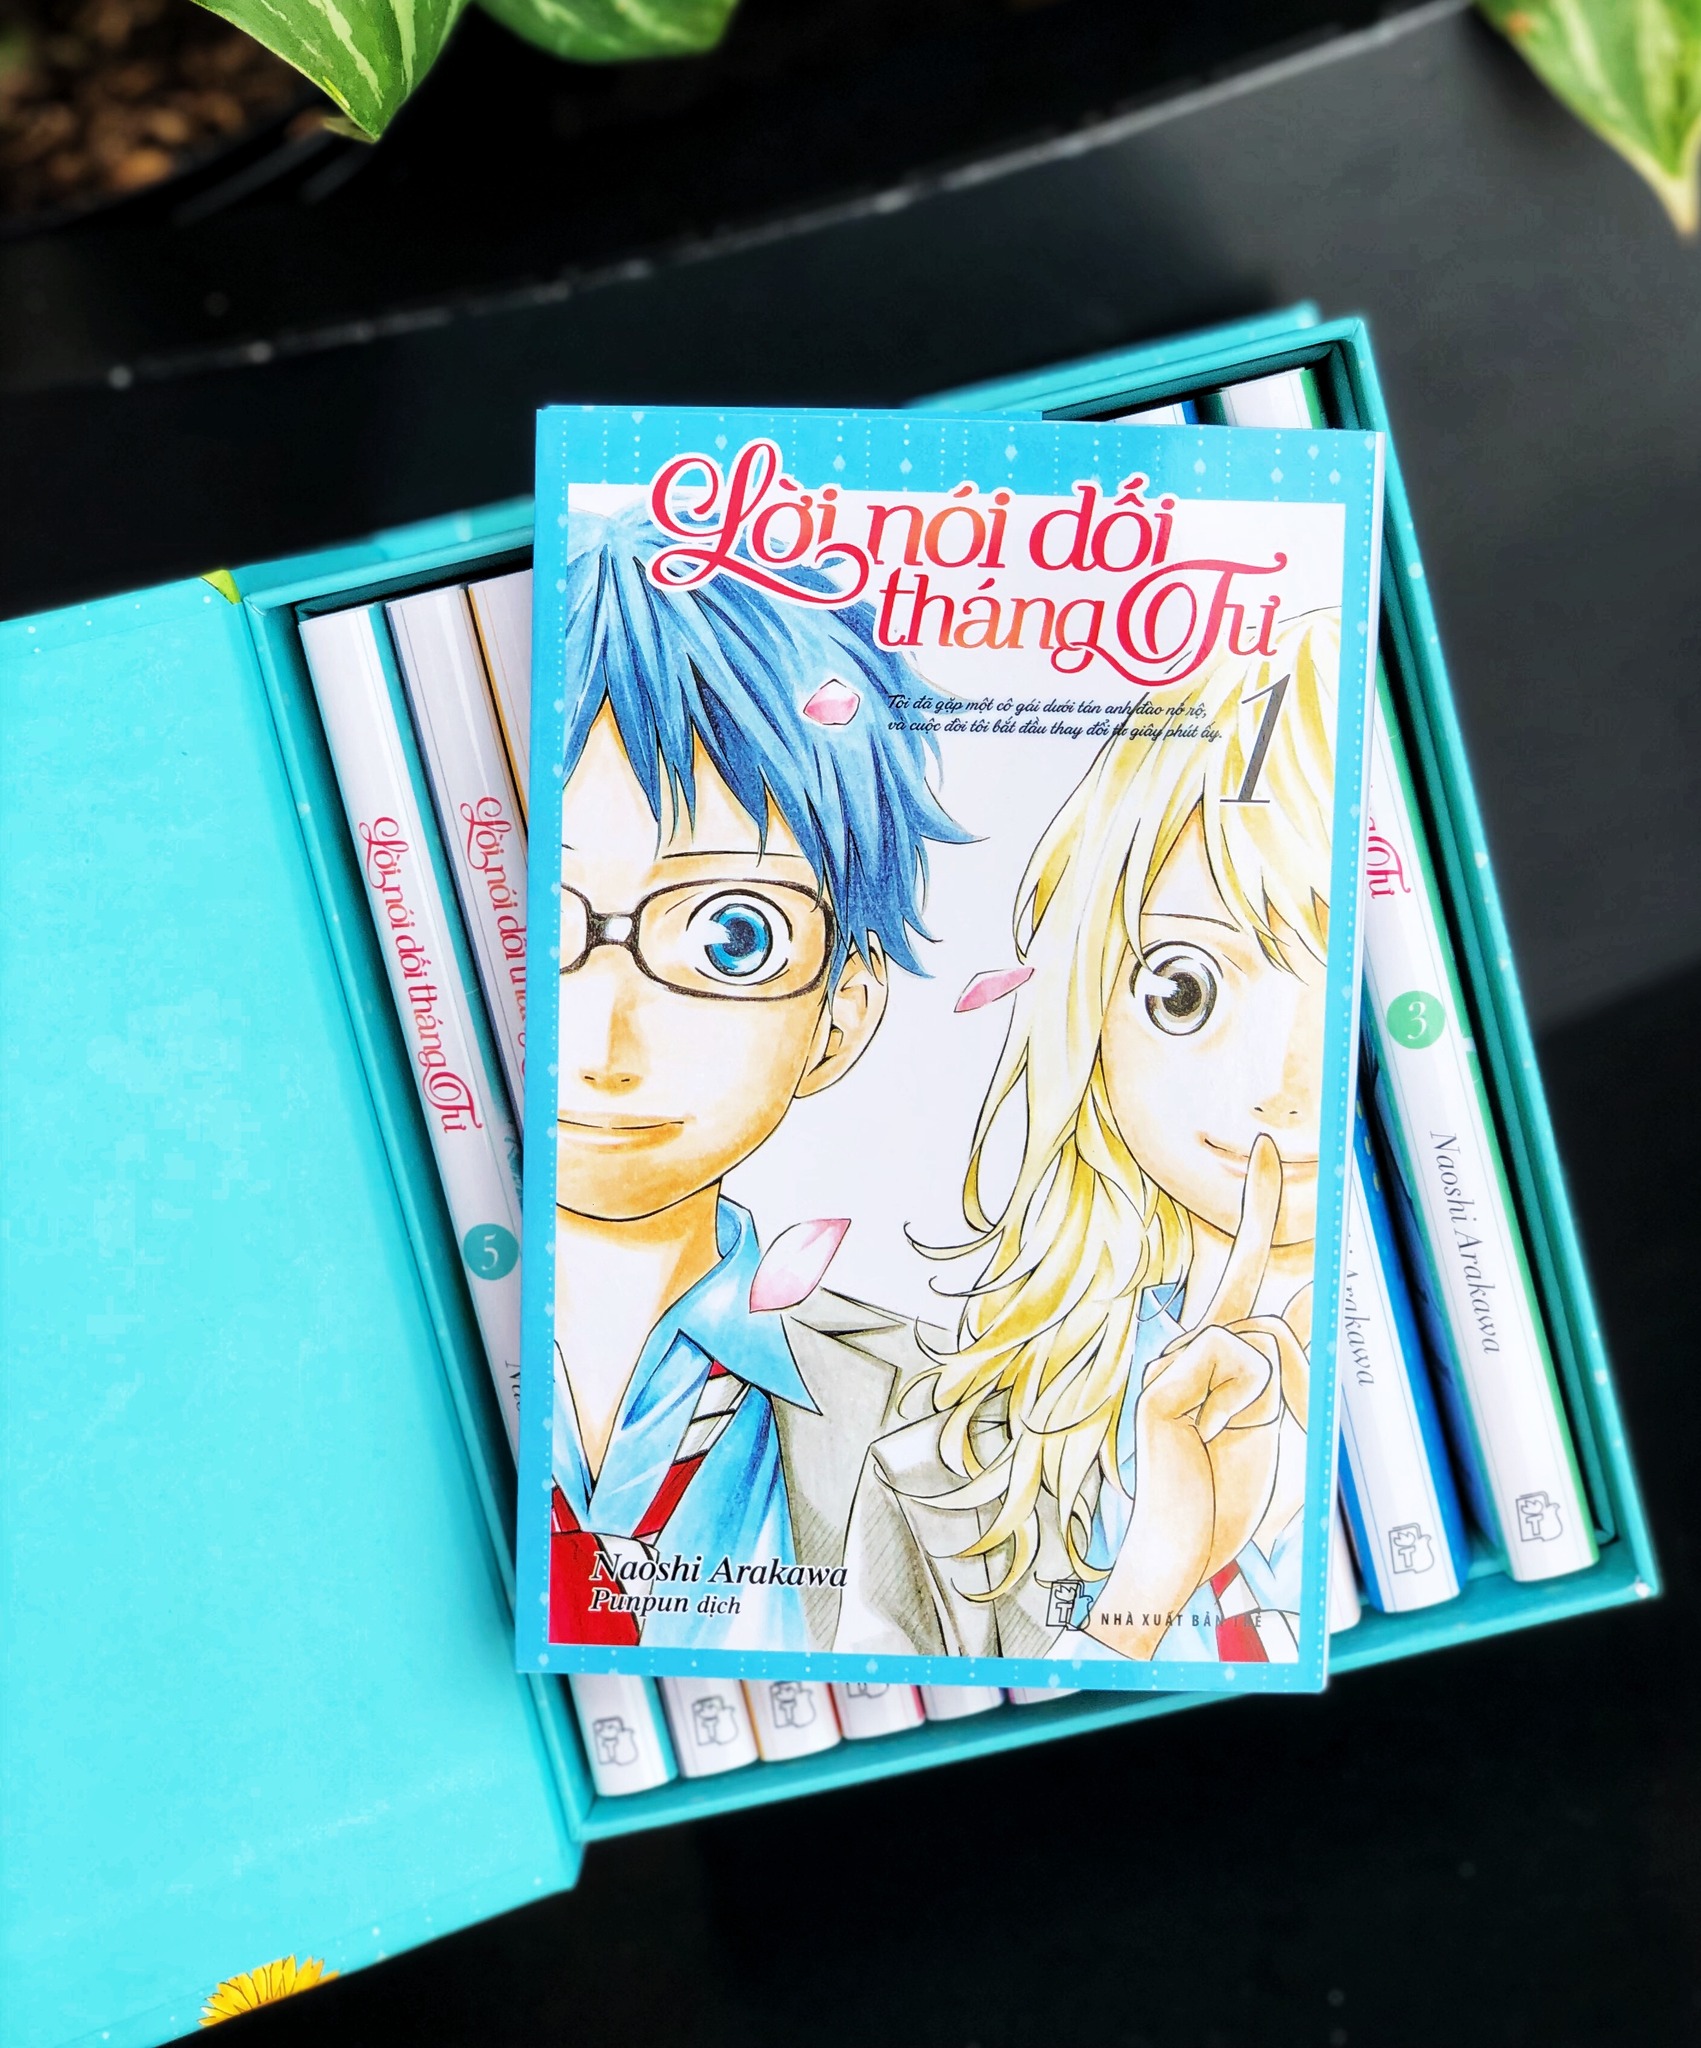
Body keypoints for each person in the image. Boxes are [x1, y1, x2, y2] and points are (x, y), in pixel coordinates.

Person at [836, 615, 1340, 1666]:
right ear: (1090, 1002)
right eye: (1184, 987)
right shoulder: (983, 1444)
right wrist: (1155, 1570)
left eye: (1332, 988)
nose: (1281, 1086)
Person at [547, 504, 968, 1654]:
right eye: (548, 919)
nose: (606, 1039)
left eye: (732, 935)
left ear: (842, 1012)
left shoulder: (941, 1417)